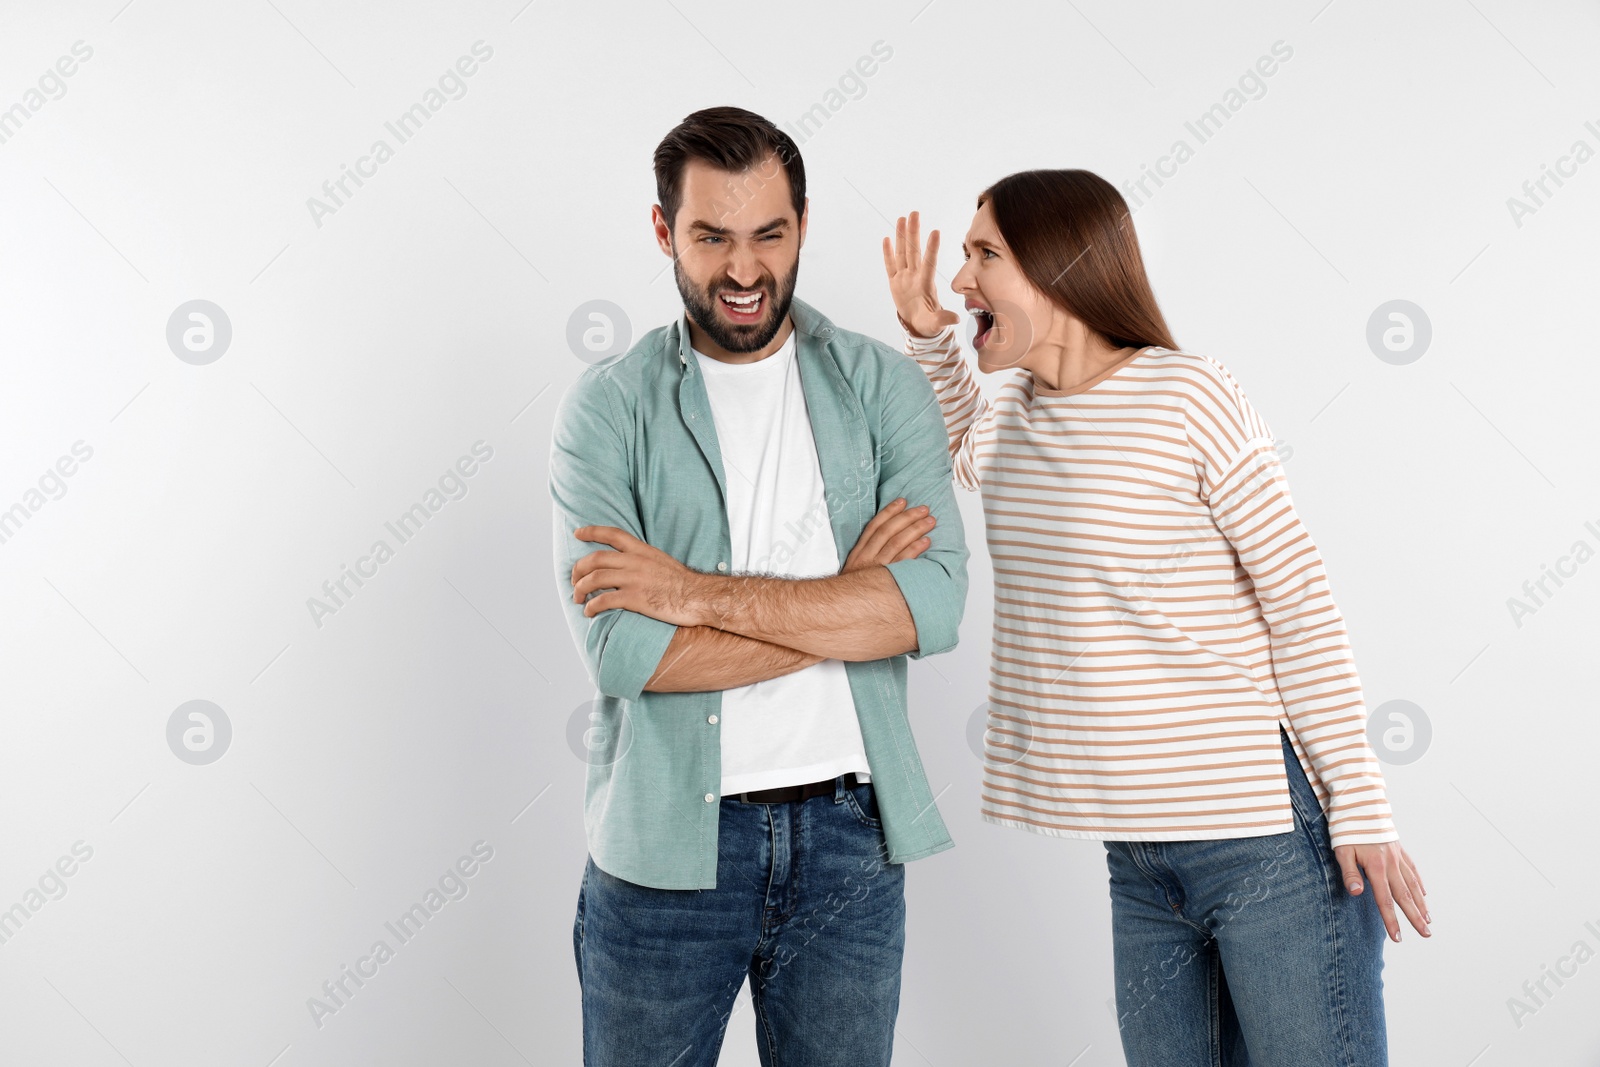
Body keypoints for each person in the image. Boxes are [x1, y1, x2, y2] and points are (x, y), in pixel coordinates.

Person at [880, 173, 1430, 1066]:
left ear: (1059, 269)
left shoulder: (1189, 395)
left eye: (985, 255)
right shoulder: (1016, 416)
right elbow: (961, 445)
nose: (962, 280)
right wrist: (928, 339)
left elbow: (1301, 603)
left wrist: (1360, 802)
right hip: (1139, 856)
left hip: (1266, 841)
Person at [548, 105, 969, 1066]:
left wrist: (693, 594)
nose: (744, 270)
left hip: (851, 847)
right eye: (712, 237)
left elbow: (933, 606)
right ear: (664, 232)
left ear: (805, 224)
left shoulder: (883, 387)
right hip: (664, 858)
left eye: (769, 235)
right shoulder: (608, 411)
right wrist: (853, 595)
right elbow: (624, 653)